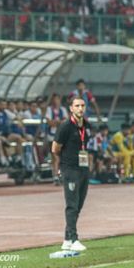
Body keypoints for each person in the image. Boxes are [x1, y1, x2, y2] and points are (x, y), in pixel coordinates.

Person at [52, 96, 91, 252]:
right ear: (71, 109)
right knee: (72, 205)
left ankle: (67, 239)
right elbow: (55, 148)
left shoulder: (86, 126)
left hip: (83, 168)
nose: (80, 108)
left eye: (82, 105)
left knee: (79, 205)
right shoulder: (66, 126)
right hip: (70, 169)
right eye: (77, 106)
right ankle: (74, 239)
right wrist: (63, 165)